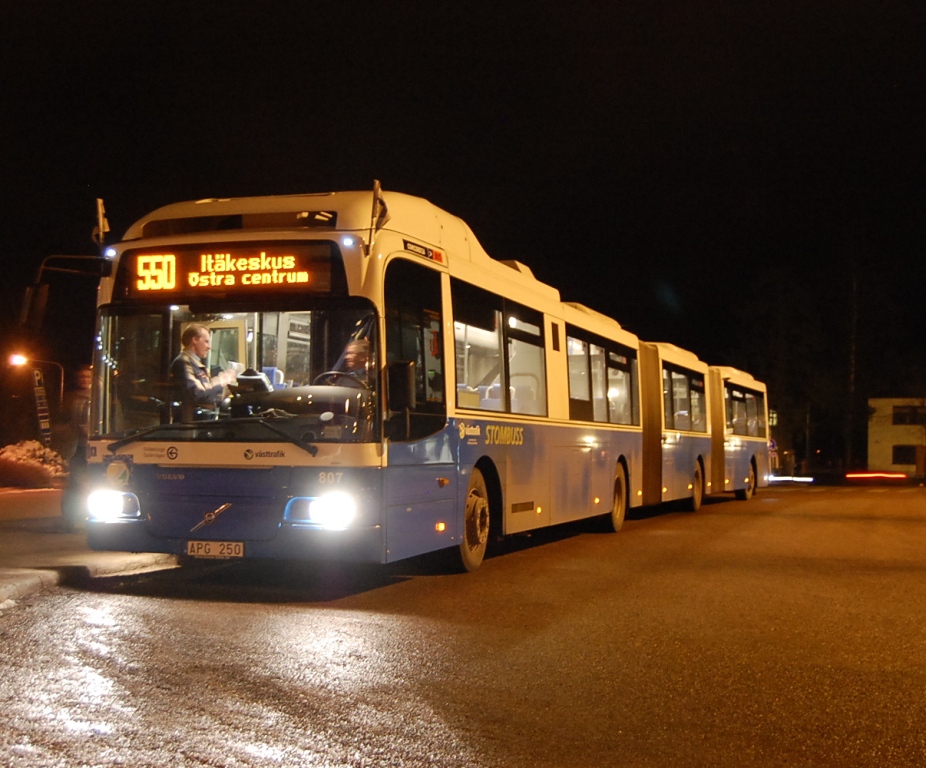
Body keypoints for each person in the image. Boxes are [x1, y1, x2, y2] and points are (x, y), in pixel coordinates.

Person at [170, 324, 236, 420]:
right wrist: (221, 380)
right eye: (206, 342)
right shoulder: (183, 362)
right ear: (195, 340)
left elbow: (208, 397)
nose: (209, 347)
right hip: (190, 424)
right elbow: (198, 393)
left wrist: (228, 389)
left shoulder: (194, 363)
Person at [58, 364, 92, 530]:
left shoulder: (101, 398)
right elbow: (62, 420)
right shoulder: (70, 399)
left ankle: (89, 515)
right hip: (75, 446)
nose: (84, 380)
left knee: (92, 482)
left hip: (93, 446)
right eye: (81, 377)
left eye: (87, 377)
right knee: (75, 483)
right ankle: (71, 518)